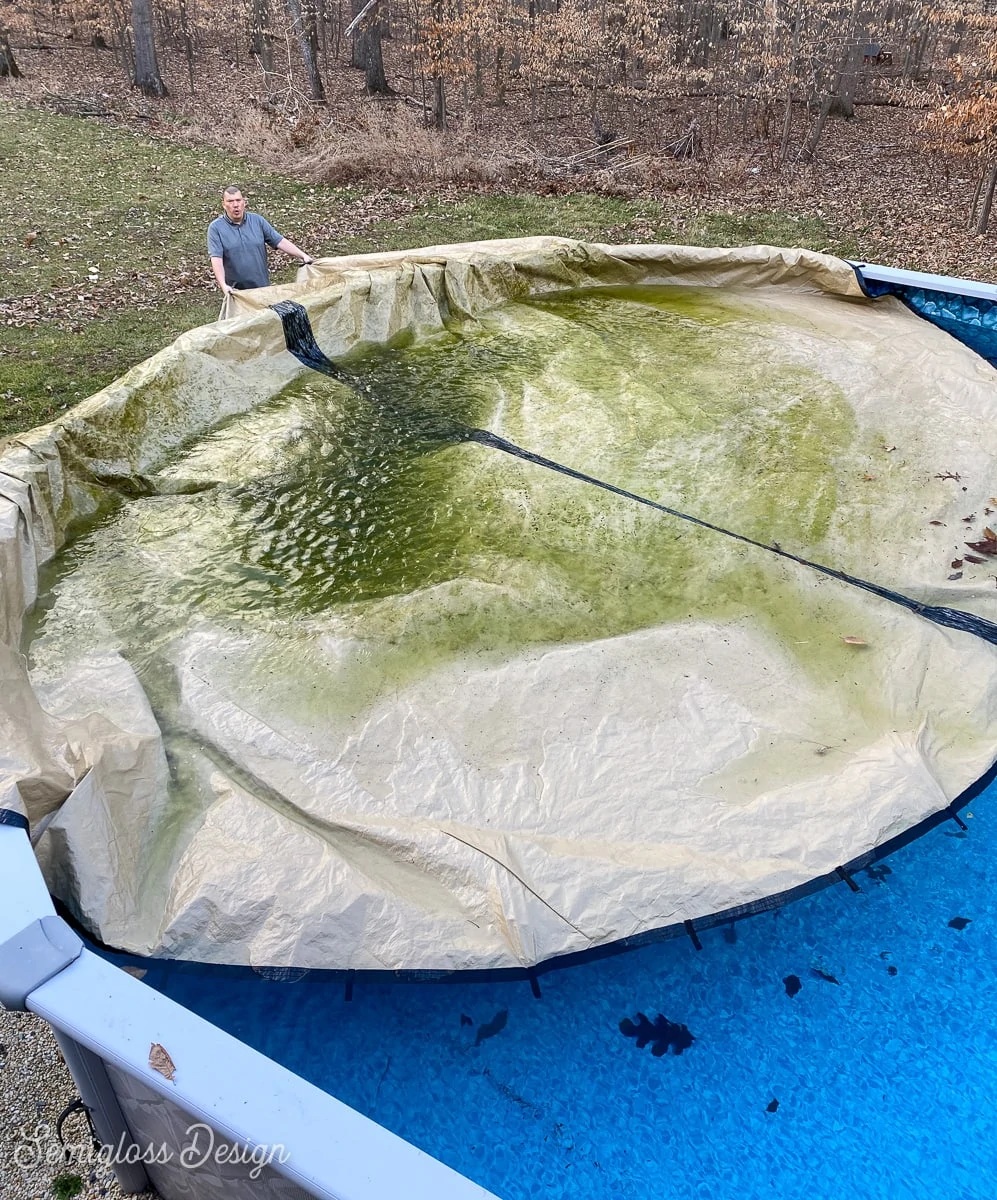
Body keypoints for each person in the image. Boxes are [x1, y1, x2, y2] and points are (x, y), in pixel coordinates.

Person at [207, 185, 315, 293]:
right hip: (235, 293)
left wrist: (303, 255)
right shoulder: (216, 228)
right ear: (224, 205)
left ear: (244, 202)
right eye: (230, 201)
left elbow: (279, 241)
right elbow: (216, 259)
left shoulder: (257, 221)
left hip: (262, 290)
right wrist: (223, 285)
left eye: (238, 200)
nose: (235, 205)